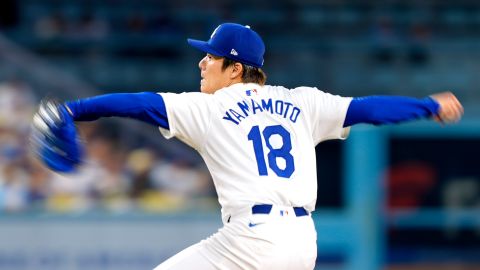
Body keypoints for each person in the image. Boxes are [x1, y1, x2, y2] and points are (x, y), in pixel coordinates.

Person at [31, 23, 463, 270]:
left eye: (211, 57)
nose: (201, 62)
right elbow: (368, 109)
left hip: (251, 239)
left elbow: (139, 104)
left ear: (235, 69)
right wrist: (426, 105)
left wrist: (76, 109)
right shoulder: (304, 101)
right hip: (302, 242)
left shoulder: (210, 107)